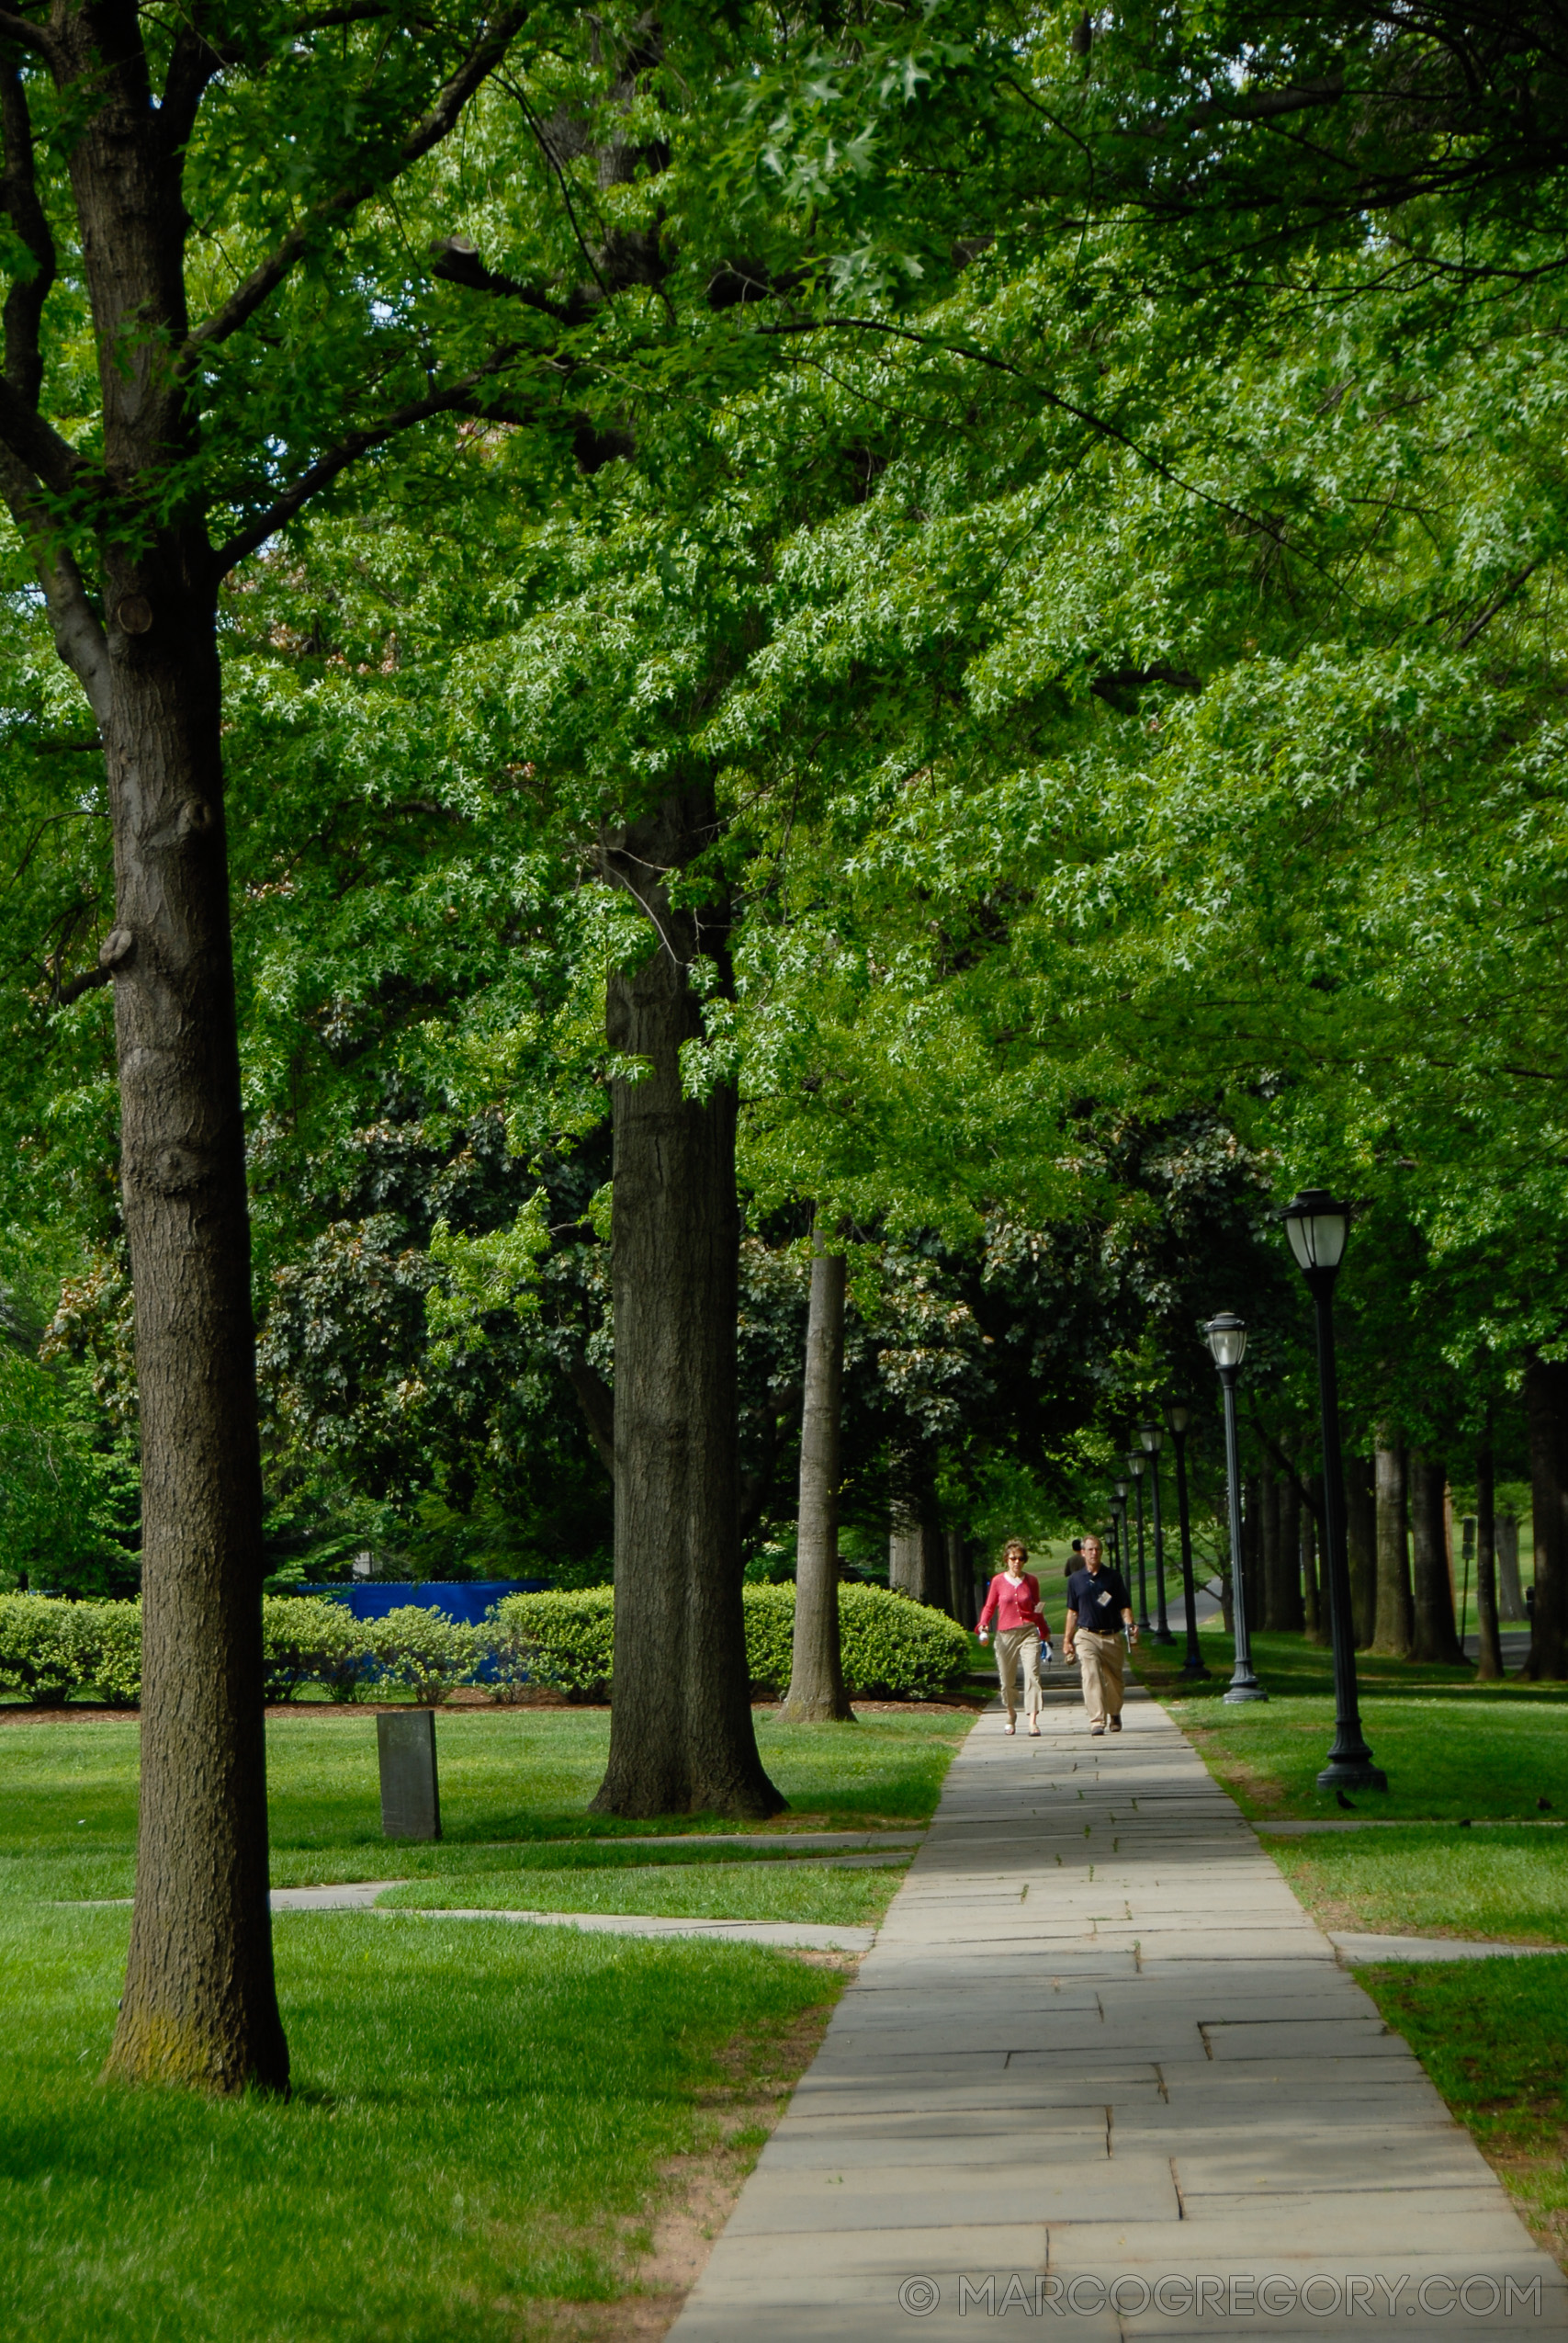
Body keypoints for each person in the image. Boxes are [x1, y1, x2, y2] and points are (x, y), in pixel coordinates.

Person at [976, 1540, 1053, 1736]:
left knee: (1032, 1675)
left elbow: (1037, 1609)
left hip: (1028, 1632)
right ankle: (1010, 1713)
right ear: (1006, 1560)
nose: (1016, 1562)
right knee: (1006, 1679)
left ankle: (1033, 1721)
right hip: (1005, 1634)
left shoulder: (1032, 1581)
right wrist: (983, 1624)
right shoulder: (998, 1581)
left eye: (1020, 1558)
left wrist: (1044, 1630)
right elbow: (990, 1606)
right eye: (1013, 1558)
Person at [1063, 1533, 1135, 1737]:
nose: (1094, 1553)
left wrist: (1130, 1626)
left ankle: (1114, 1713)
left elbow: (1125, 1606)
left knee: (1115, 1680)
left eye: (1097, 1549)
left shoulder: (1113, 1577)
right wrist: (1067, 1640)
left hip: (1111, 1635)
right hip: (1087, 1635)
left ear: (1101, 1552)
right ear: (1083, 1552)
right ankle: (1097, 1720)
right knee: (1090, 1674)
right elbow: (1072, 1612)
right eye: (1090, 1549)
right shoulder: (1075, 1580)